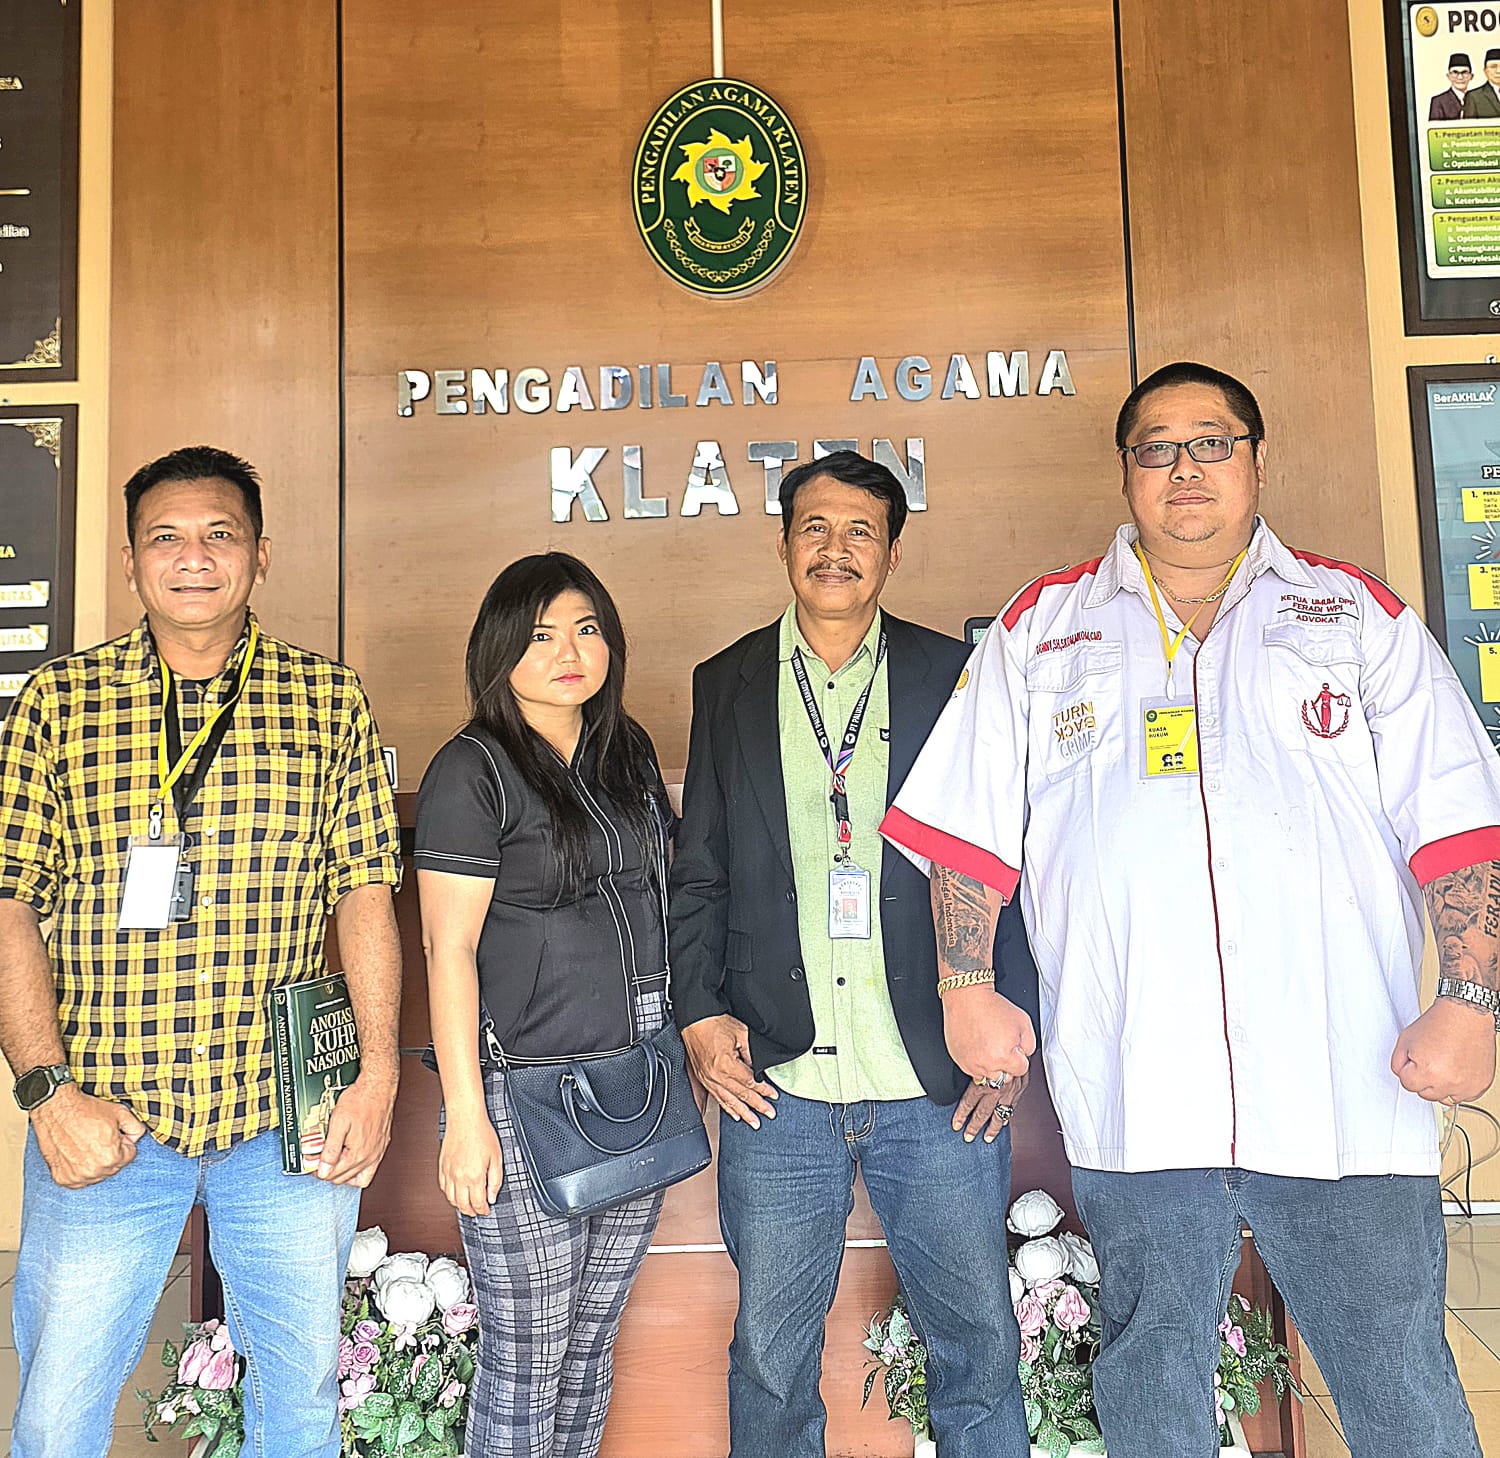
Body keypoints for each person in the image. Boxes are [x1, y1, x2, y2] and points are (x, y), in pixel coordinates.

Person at [881, 361, 1499, 1457]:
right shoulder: (1046, 629)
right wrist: (964, 990)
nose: (1185, 469)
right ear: (1126, 475)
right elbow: (966, 836)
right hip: (1138, 1090)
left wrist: (1471, 1000)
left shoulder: (1354, 616)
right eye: (1156, 448)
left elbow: (1460, 829)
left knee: (1400, 1385)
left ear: (1257, 461)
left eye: (1211, 442)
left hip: (1342, 1089)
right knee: (1151, 1387)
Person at [0, 446, 403, 1458]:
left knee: (300, 1408)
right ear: (132, 562)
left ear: (261, 555)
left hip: (284, 1126)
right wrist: (48, 1091)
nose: (193, 557)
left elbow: (363, 892)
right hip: (107, 1115)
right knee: (55, 1415)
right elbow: (7, 901)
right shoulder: (60, 703)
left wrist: (380, 1075)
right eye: (165, 538)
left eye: (219, 534)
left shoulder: (327, 701)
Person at [670, 450, 1038, 1458]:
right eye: (815, 528)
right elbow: (698, 872)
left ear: (893, 551)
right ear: (785, 542)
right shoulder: (729, 681)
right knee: (771, 1357)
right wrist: (700, 1016)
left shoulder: (953, 676)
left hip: (935, 1077)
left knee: (976, 1341)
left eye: (861, 531)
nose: (836, 550)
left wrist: (1013, 1031)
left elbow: (1012, 860)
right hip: (778, 1082)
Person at [415, 552, 675, 1458]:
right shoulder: (473, 769)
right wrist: (464, 1120)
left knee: (590, 1344)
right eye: (541, 634)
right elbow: (446, 948)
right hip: (521, 1096)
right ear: (499, 650)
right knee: (526, 1356)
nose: (569, 651)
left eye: (587, 628)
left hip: (632, 1084)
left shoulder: (624, 750)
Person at [1430, 52, 1472, 120]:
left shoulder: (1477, 100)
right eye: (1455, 72)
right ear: (1448, 76)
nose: (1460, 77)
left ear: (1471, 76)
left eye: (1464, 72)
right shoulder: (1439, 101)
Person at [1462, 49, 1500, 116]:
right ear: (1485, 71)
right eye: (1493, 67)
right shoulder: (1474, 96)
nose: (1498, 71)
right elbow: (1469, 125)